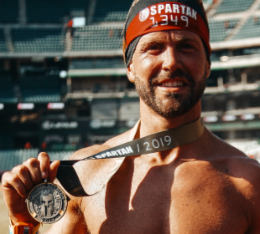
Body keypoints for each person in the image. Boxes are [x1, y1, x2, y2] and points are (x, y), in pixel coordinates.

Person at [2, 0, 260, 233]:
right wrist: (23, 224)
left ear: (207, 65)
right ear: (130, 67)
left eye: (187, 46)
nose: (171, 61)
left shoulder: (249, 183)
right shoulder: (85, 174)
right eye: (154, 47)